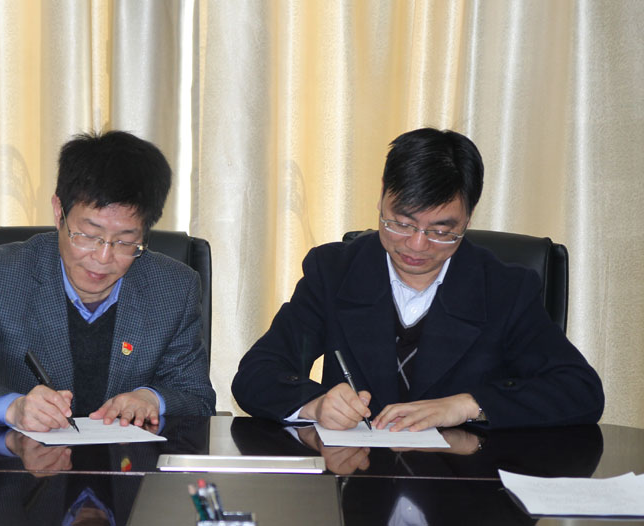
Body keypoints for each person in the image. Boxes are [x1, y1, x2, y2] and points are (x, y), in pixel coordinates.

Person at [232, 127, 603, 431]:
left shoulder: (504, 289)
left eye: (441, 231)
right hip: (358, 484)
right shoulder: (333, 272)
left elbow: (579, 390)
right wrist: (314, 404)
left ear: (469, 217)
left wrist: (469, 405)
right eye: (401, 223)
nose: (416, 244)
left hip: (465, 485)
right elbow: (257, 374)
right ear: (382, 195)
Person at [0, 130, 215, 431]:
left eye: (125, 241)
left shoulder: (174, 287)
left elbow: (198, 398)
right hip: (25, 462)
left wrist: (153, 399)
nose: (103, 257)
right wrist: (13, 408)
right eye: (89, 235)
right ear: (59, 213)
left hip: (130, 463)